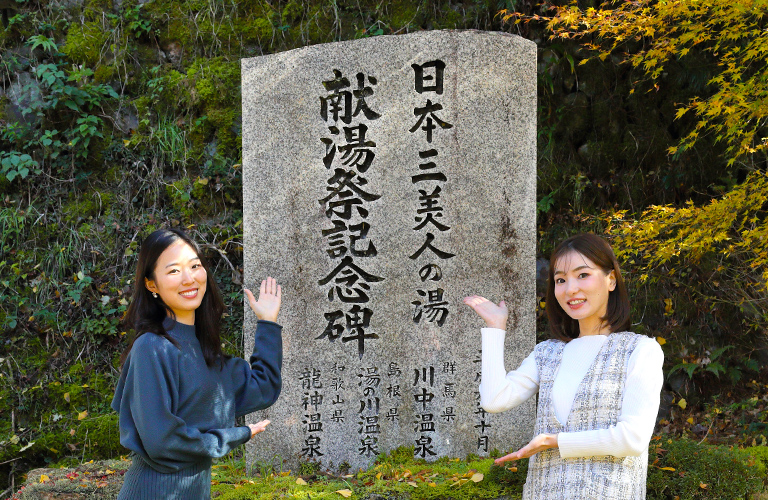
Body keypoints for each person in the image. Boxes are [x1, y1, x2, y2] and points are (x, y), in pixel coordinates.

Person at [464, 233, 663, 499]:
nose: (570, 289)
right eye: (560, 279)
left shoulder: (640, 350)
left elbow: (633, 438)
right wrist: (495, 328)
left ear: (611, 279)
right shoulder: (548, 353)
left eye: (583, 275)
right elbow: (493, 399)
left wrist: (554, 441)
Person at [111, 228, 283, 500]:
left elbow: (264, 387)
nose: (189, 278)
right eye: (174, 271)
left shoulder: (205, 351)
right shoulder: (151, 348)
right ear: (151, 284)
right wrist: (233, 436)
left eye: (195, 266)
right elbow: (162, 442)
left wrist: (268, 323)